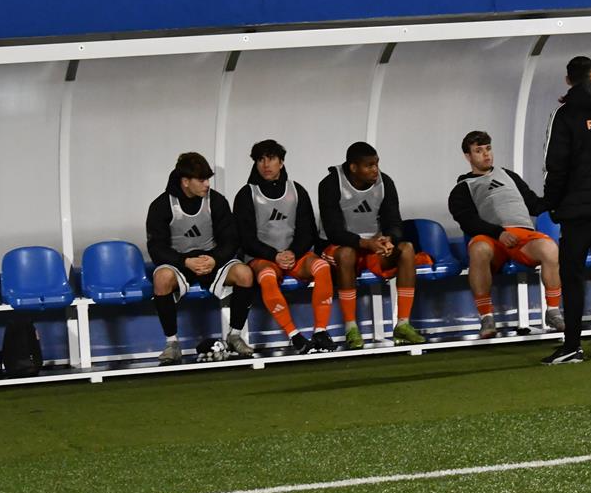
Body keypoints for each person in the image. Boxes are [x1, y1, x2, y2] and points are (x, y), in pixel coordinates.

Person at [540, 56, 591, 364]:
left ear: (568, 80)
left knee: (572, 275)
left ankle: (572, 345)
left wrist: (550, 202)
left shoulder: (564, 115)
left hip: (578, 210)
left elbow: (555, 165)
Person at [448, 130, 565, 339]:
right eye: (478, 151)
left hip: (523, 236)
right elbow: (468, 222)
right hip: (492, 238)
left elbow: (534, 204)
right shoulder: (463, 188)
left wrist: (559, 198)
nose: (486, 154)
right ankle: (487, 317)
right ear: (468, 156)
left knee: (549, 248)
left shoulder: (509, 175)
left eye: (488, 149)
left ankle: (553, 311)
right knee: (478, 249)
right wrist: (498, 232)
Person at [146, 152, 256, 364]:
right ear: (185, 181)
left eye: (208, 179)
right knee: (161, 278)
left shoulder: (217, 201)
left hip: (212, 261)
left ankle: (235, 335)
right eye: (201, 180)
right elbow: (156, 248)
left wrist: (214, 259)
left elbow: (231, 240)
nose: (207, 184)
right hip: (181, 263)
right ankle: (172, 343)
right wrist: (185, 261)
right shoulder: (161, 205)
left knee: (244, 273)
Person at [318, 142, 426, 349]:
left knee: (407, 249)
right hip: (339, 248)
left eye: (376, 164)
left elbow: (394, 221)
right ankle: (351, 328)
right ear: (353, 167)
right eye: (369, 165)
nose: (375, 169)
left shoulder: (385, 182)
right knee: (347, 254)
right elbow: (333, 231)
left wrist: (389, 239)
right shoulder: (330, 184)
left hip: (372, 247)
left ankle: (403, 324)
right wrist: (365, 243)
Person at [233, 139, 337, 355]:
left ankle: (320, 331)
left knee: (322, 267)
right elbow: (245, 239)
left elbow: (308, 231)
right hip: (262, 258)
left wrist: (293, 253)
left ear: (281, 162)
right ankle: (295, 336)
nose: (265, 164)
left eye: (271, 159)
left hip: (294, 256)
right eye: (260, 160)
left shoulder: (297, 191)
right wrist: (274, 255)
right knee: (267, 276)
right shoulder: (246, 194)